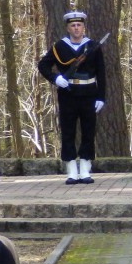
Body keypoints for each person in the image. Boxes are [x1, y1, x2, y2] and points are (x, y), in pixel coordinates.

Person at [38, 11, 106, 185]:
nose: (76, 28)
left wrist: (101, 97)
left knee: (88, 131)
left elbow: (101, 73)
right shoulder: (60, 46)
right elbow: (43, 65)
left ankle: (85, 169)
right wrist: (55, 79)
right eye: (73, 25)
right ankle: (71, 170)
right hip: (68, 95)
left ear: (83, 27)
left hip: (89, 94)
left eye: (79, 25)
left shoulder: (92, 46)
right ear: (68, 28)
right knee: (68, 131)